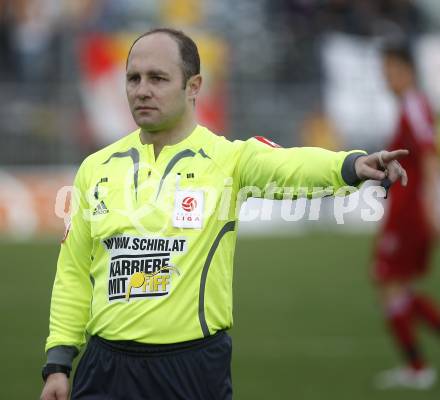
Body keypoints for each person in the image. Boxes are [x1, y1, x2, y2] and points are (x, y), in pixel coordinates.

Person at [40, 28, 408, 400]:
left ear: (194, 85)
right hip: (104, 369)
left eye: (158, 78)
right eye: (133, 78)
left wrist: (354, 165)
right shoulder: (95, 168)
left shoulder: (227, 160)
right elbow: (73, 273)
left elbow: (289, 166)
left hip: (190, 369)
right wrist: (58, 362)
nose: (142, 90)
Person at [373, 42, 440, 390]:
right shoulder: (410, 105)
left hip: (411, 212)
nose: (387, 78)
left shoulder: (414, 104)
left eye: (391, 71)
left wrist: (433, 205)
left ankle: (417, 368)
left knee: (388, 281)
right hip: (404, 208)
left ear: (408, 70)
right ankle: (416, 367)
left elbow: (429, 156)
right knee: (394, 285)